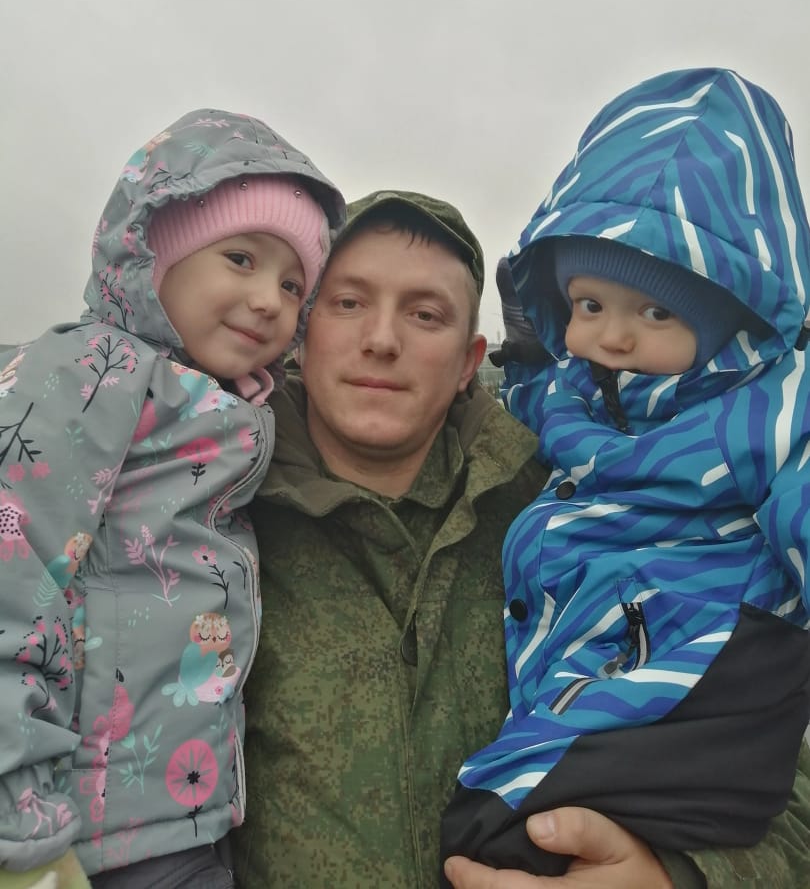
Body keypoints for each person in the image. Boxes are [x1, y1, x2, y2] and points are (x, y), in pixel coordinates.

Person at [231, 186, 810, 888]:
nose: (381, 340)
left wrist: (685, 878)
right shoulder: (199, 519)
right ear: (303, 329)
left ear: (470, 360)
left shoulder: (587, 509)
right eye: (349, 302)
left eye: (425, 314)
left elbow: (782, 774)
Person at [440, 67, 810, 876]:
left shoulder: (771, 412)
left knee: (494, 826)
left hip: (698, 672)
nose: (611, 338)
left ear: (729, 320)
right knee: (496, 824)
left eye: (657, 311)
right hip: (606, 674)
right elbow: (541, 401)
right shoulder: (576, 394)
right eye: (589, 305)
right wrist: (521, 363)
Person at [0, 109, 345, 887]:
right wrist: (17, 825)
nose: (269, 299)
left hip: (185, 813)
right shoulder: (91, 372)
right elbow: (13, 575)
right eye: (240, 258)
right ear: (153, 253)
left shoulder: (224, 412)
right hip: (80, 828)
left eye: (293, 284)